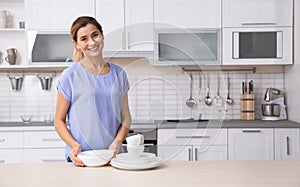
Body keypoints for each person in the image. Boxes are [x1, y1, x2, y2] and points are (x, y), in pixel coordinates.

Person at [54, 16, 131, 167]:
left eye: (95, 35)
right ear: (76, 44)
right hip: (82, 159)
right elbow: (59, 120)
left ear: (102, 35)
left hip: (113, 158)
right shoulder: (70, 76)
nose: (92, 42)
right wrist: (74, 145)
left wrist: (117, 143)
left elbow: (126, 117)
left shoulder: (119, 74)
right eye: (84, 38)